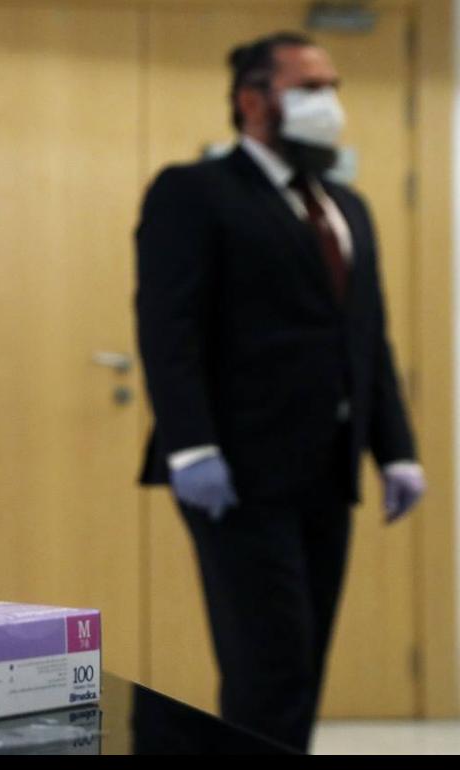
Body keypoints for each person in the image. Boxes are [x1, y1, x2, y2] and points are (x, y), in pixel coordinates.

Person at [133, 31, 426, 752]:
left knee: (305, 659)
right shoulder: (195, 192)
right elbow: (169, 331)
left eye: (333, 86)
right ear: (253, 100)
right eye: (310, 87)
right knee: (270, 664)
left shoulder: (345, 206)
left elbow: (367, 337)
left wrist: (396, 450)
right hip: (235, 474)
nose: (330, 102)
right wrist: (192, 446)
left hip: (328, 470)